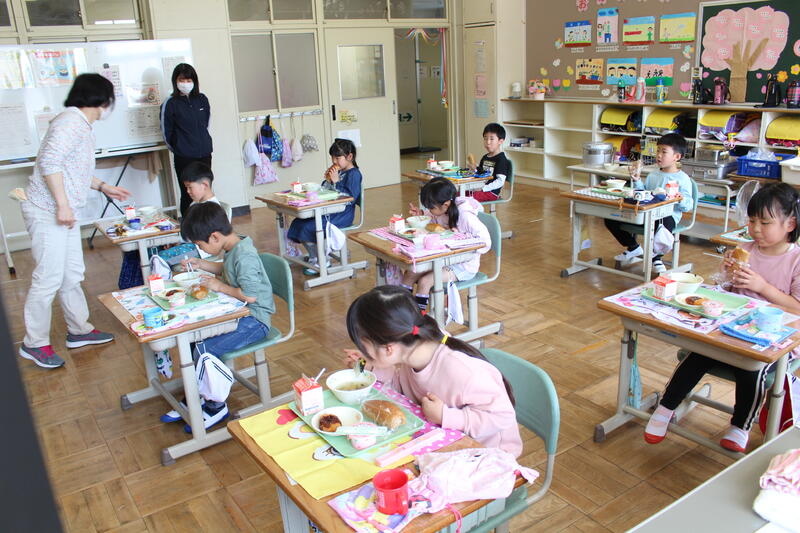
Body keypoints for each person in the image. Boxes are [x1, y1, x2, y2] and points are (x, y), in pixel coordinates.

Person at [645, 183, 800, 453]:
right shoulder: (745, 249)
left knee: (752, 369)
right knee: (698, 352)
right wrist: (726, 275)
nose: (755, 229)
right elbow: (727, 292)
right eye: (752, 221)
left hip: (771, 338)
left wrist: (763, 287)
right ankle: (666, 407)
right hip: (731, 329)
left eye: (765, 222)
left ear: (790, 224)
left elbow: (797, 308)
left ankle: (740, 425)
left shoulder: (795, 260)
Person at [19, 73, 130, 369]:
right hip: (48, 210)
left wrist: (103, 186)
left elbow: (73, 169)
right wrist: (63, 204)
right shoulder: (70, 122)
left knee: (71, 274)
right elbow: (50, 163)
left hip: (62, 211)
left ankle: (79, 330)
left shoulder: (80, 124)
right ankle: (34, 343)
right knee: (48, 278)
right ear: (102, 100)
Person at [343, 285, 522, 456]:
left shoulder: (462, 372)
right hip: (443, 443)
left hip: (488, 455)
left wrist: (446, 416)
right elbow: (403, 388)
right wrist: (372, 367)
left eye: (363, 345)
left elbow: (503, 416)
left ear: (389, 348)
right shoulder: (412, 349)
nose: (361, 350)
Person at [163, 202, 275, 431]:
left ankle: (216, 407)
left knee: (205, 349)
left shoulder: (245, 255)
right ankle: (197, 394)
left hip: (255, 320)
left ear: (214, 237)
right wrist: (202, 264)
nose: (200, 248)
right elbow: (227, 268)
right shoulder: (234, 246)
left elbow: (250, 296)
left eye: (200, 245)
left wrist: (219, 286)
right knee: (194, 339)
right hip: (239, 312)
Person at [605, 133, 693, 274]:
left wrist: (681, 198)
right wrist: (637, 179)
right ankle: (633, 247)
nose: (659, 155)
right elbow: (644, 194)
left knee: (662, 222)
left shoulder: (683, 179)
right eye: (658, 151)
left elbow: (688, 206)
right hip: (646, 214)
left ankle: (656, 257)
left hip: (667, 217)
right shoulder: (653, 174)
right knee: (611, 217)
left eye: (664, 152)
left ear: (676, 157)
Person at [403, 178, 490, 311]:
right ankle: (402, 310)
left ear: (446, 204)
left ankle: (419, 318)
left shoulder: (465, 216)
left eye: (430, 207)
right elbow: (434, 216)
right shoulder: (442, 210)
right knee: (410, 273)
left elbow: (486, 242)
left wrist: (461, 238)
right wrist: (422, 214)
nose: (429, 210)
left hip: (463, 266)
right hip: (443, 260)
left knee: (425, 281)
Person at [287, 138, 362, 275]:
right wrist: (328, 181)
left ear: (350, 156)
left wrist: (336, 182)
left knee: (309, 227)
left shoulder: (354, 174)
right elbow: (327, 191)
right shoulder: (339, 171)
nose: (334, 161)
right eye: (332, 157)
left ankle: (323, 260)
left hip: (342, 214)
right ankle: (315, 256)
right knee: (298, 223)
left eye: (338, 157)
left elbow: (349, 199)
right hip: (328, 211)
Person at [160, 63, 212, 218]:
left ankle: (206, 223)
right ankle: (188, 226)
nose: (185, 83)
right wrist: (179, 148)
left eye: (189, 80)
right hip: (184, 157)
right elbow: (166, 132)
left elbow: (206, 124)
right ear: (175, 81)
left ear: (194, 81)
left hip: (204, 154)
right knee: (188, 193)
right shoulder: (170, 103)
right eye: (182, 80)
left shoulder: (202, 99)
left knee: (205, 191)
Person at [471, 123, 511, 202]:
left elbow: (500, 181)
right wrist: (474, 169)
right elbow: (481, 174)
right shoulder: (485, 157)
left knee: (465, 199)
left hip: (491, 193)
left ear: (500, 141)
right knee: (457, 194)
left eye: (491, 139)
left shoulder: (501, 159)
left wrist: (483, 188)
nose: (488, 142)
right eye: (485, 139)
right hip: (481, 189)